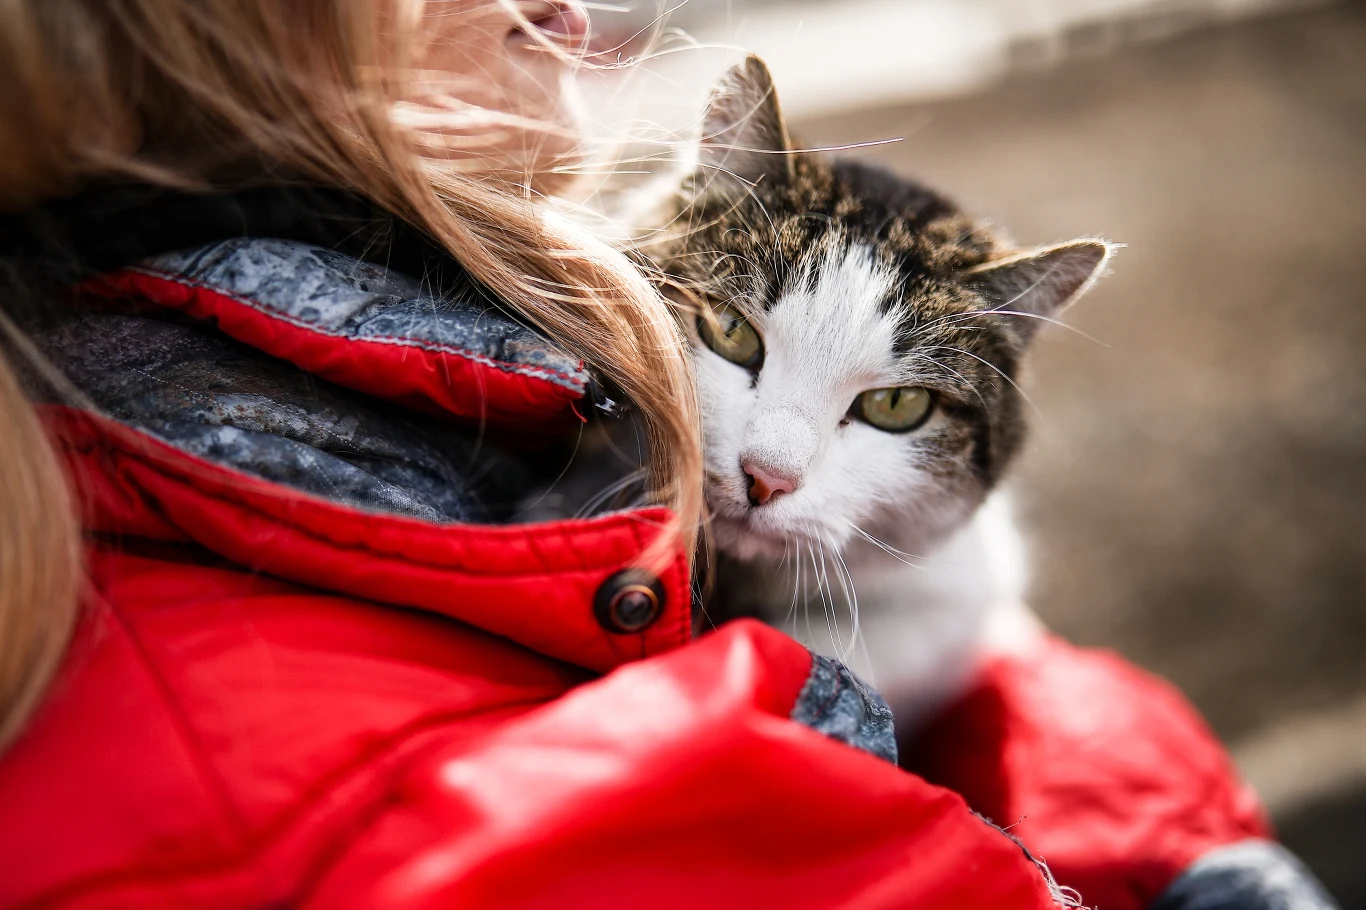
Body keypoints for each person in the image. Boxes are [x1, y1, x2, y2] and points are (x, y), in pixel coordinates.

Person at [0, 1, 1337, 908]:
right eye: (727, 338)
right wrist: (1178, 843)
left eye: (884, 411)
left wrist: (1009, 682)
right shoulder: (385, 777)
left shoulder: (181, 437)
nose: (576, 13)